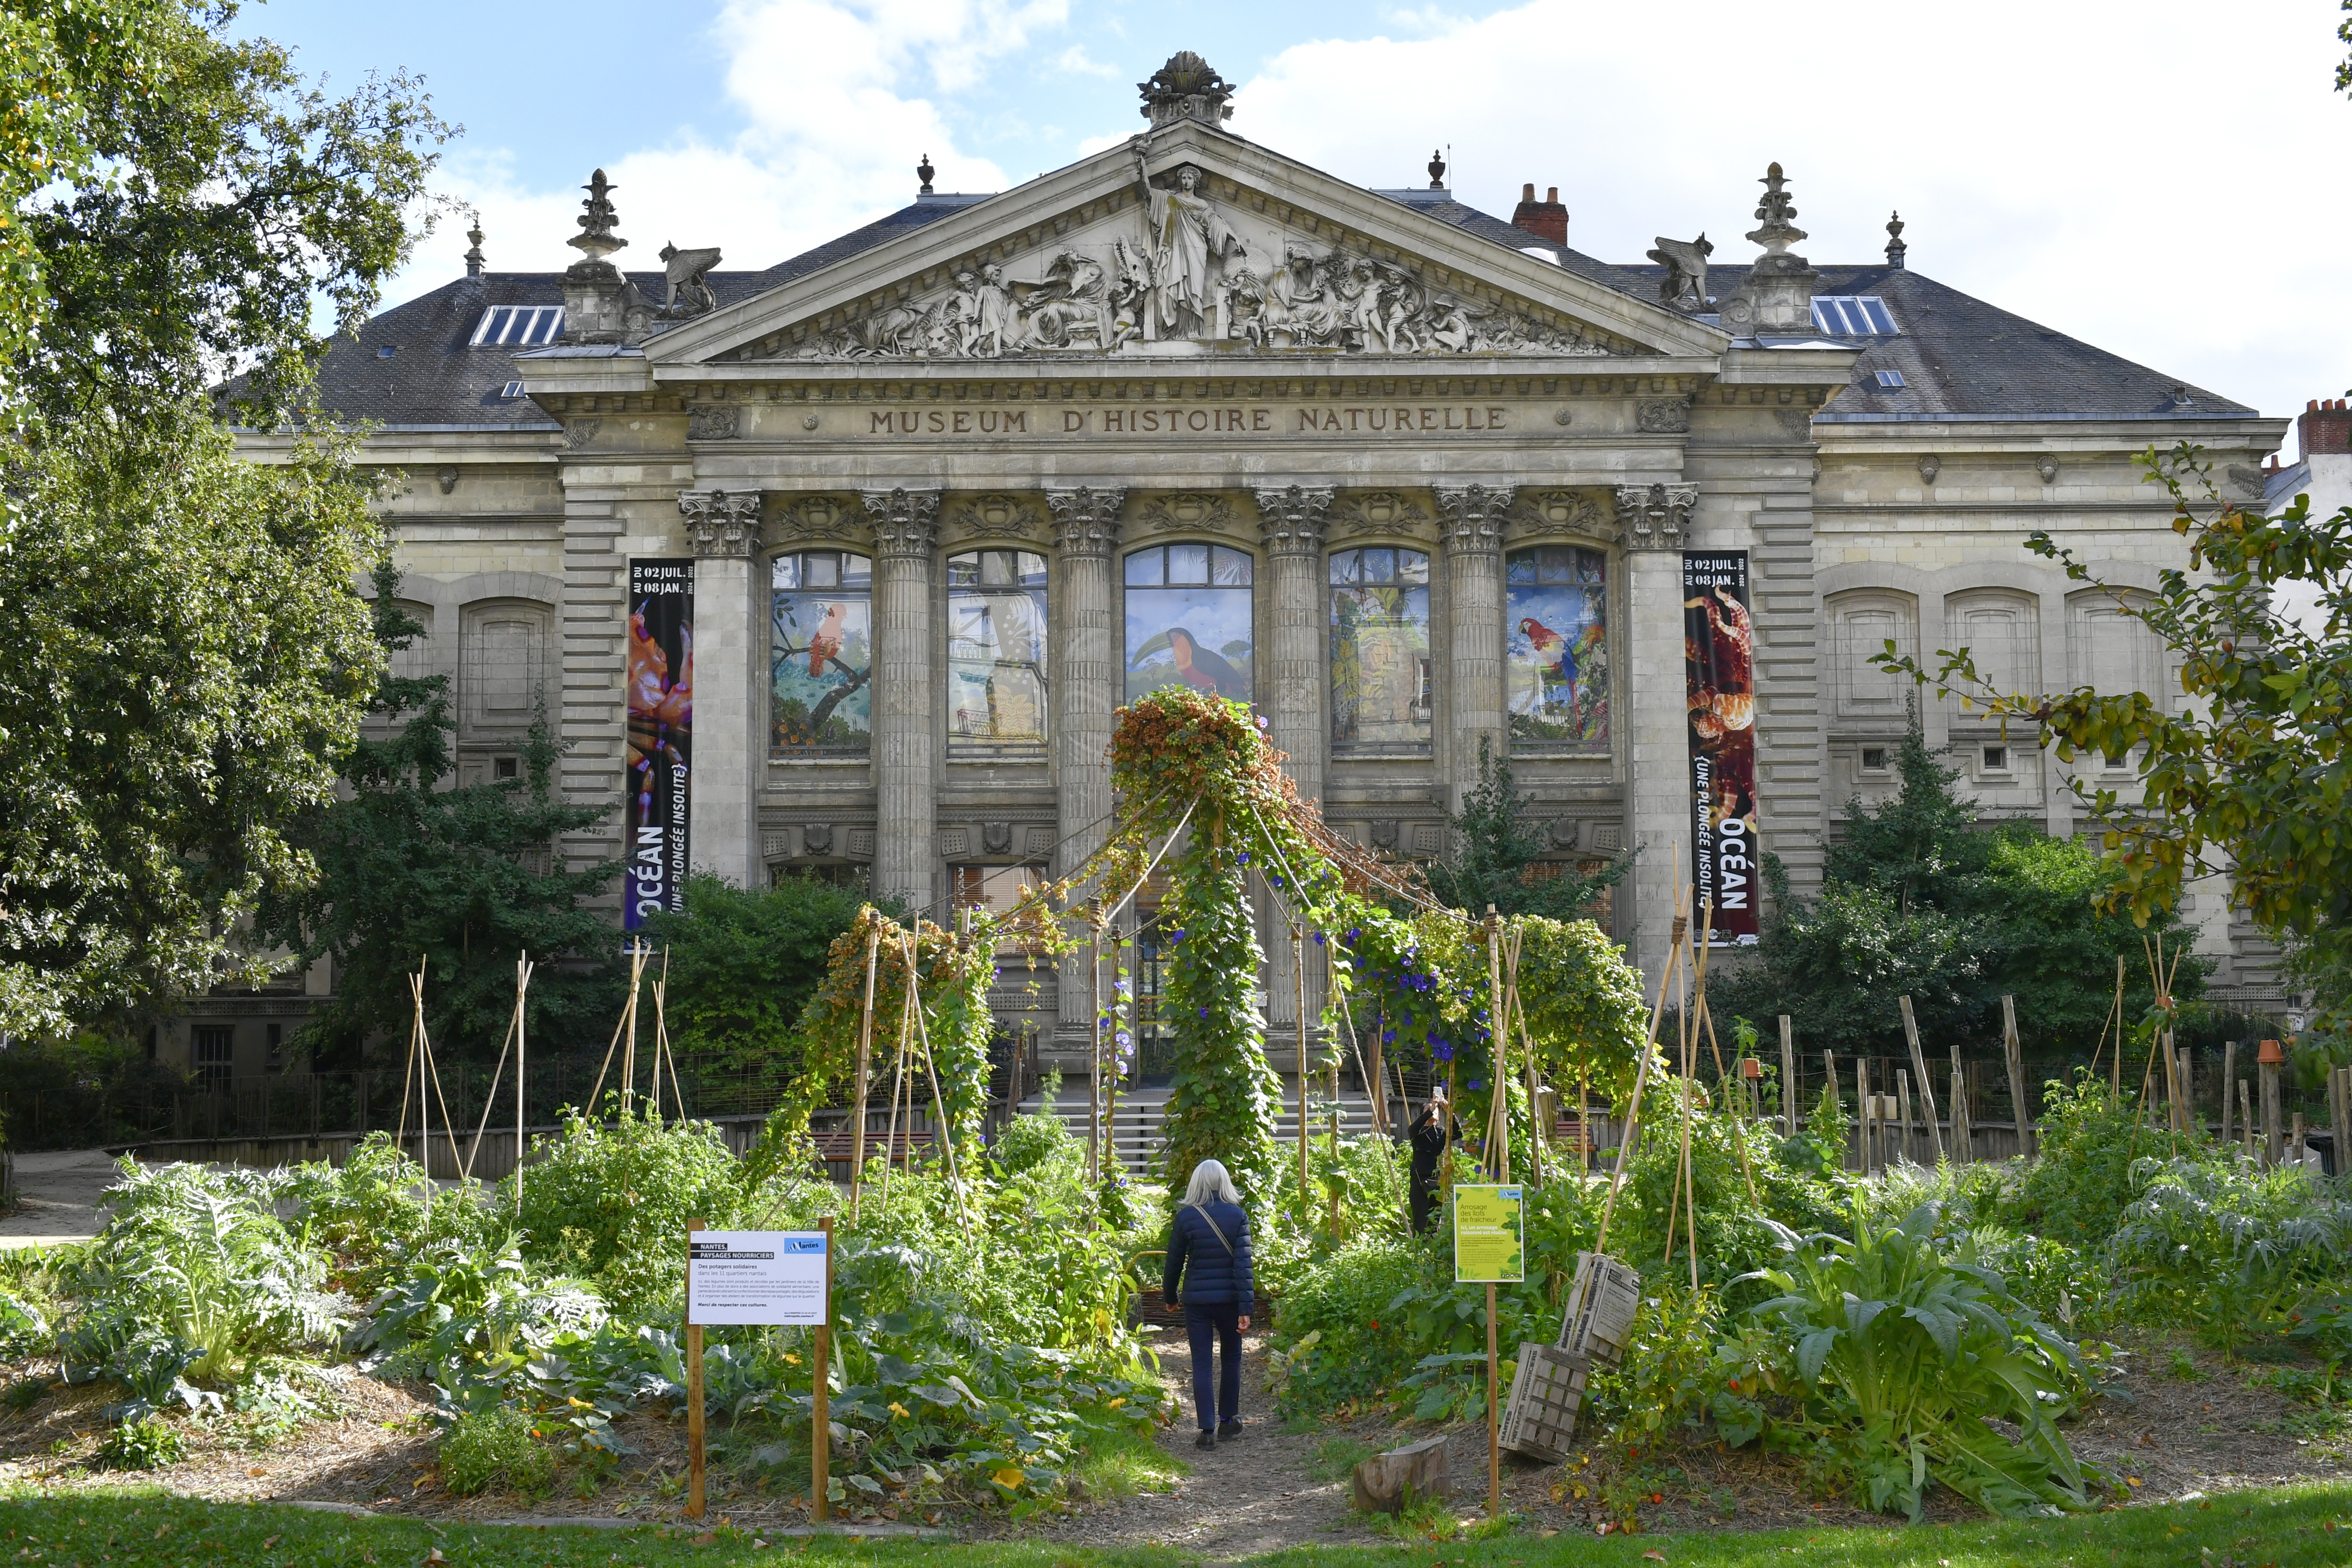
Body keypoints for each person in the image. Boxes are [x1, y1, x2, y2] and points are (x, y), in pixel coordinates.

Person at [1163, 1158, 1253, 1447]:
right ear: (1224, 1183)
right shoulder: (1238, 1216)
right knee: (1231, 1358)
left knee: (1201, 1362)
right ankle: (1228, 1421)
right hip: (1229, 1299)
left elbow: (1173, 1262)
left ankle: (1207, 1431)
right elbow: (1244, 1265)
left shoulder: (1187, 1218)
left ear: (1196, 1184)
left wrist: (1170, 1297)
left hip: (1197, 1301)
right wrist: (1245, 1308)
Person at [1406, 1088, 1451, 1234]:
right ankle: (1418, 1246)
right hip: (1419, 1178)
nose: (1433, 1111)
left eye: (1435, 1110)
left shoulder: (1441, 1132)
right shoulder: (1417, 1133)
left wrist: (1449, 1111)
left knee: (1435, 1217)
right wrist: (1431, 1108)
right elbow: (1414, 1128)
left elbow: (1458, 1133)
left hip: (1436, 1179)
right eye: (1428, 1110)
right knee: (1420, 1217)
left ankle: (1432, 1247)